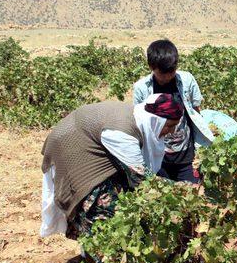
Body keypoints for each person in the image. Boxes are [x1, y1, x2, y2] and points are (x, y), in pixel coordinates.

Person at [40, 93, 184, 241]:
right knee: (98, 200)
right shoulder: (121, 134)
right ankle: (99, 248)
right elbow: (141, 178)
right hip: (72, 147)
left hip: (85, 136)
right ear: (156, 121)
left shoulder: (142, 119)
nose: (171, 132)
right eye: (169, 126)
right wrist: (184, 189)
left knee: (122, 190)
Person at [133, 40, 214, 184]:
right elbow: (140, 123)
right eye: (163, 73)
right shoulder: (141, 88)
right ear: (151, 67)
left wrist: (200, 149)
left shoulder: (187, 80)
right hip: (158, 156)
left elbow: (196, 112)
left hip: (186, 155)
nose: (168, 76)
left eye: (172, 71)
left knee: (193, 193)